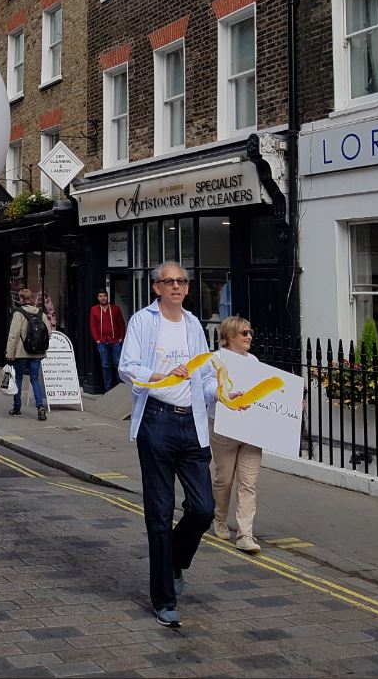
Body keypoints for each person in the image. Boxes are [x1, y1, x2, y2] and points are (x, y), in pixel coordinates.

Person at [119, 261, 240, 629]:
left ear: (187, 288)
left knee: (203, 509)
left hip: (192, 424)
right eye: (169, 281)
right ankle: (164, 600)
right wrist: (160, 375)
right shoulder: (142, 321)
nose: (176, 286)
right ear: (157, 287)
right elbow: (127, 366)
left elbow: (203, 378)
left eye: (181, 281)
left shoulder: (193, 325)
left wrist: (224, 394)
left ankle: (173, 561)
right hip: (156, 421)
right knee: (159, 513)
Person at [211, 316, 263, 554]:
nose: (249, 337)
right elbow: (206, 388)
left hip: (250, 428)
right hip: (224, 428)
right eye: (244, 333)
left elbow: (263, 392)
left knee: (248, 483)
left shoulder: (254, 361)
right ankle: (220, 519)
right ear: (229, 336)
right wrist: (223, 395)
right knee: (224, 479)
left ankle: (245, 534)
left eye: (250, 332)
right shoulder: (216, 359)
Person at [5, 288, 48, 421]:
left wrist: (9, 354)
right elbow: (48, 332)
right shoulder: (41, 314)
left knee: (18, 379)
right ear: (32, 299)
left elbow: (13, 336)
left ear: (21, 299)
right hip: (37, 353)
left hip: (21, 353)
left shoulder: (18, 314)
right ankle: (40, 407)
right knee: (35, 380)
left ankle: (17, 408)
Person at [90, 290, 126, 392]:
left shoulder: (115, 308)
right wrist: (97, 339)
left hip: (115, 341)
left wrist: (121, 337)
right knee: (106, 365)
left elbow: (121, 323)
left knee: (118, 365)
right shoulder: (94, 310)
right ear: (98, 298)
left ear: (107, 296)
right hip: (102, 342)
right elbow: (93, 326)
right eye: (100, 296)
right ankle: (108, 389)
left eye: (104, 296)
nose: (103, 298)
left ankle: (121, 389)